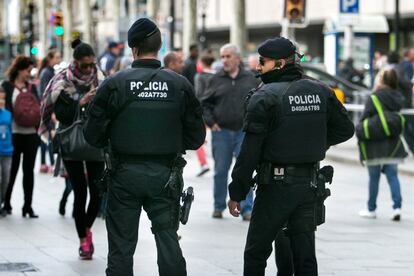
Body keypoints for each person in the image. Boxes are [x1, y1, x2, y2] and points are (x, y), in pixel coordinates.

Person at [83, 18, 205, 276]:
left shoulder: (114, 84)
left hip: (124, 174)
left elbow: (92, 135)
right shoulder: (179, 84)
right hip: (166, 175)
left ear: (133, 49)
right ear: (159, 47)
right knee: (168, 241)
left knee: (121, 247)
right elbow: (196, 138)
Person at [227, 37, 354, 275]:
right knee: (304, 257)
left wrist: (237, 191)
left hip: (275, 187)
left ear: (280, 63)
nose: (258, 67)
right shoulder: (321, 90)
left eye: (263, 62)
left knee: (256, 253)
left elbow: (249, 152)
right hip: (309, 185)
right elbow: (345, 129)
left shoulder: (264, 97)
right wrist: (313, 144)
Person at [39, 39, 105, 259]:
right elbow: (61, 114)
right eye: (84, 65)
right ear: (76, 63)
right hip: (71, 142)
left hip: (95, 141)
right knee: (80, 192)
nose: (88, 69)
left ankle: (87, 228)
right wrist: (81, 102)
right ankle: (83, 241)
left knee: (97, 193)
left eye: (91, 64)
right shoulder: (62, 81)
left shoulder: (100, 77)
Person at [201, 43, 257, 220]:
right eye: (222, 56)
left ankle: (247, 209)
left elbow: (259, 102)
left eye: (228, 56)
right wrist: (211, 122)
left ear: (238, 59)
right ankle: (218, 206)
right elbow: (205, 104)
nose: (224, 60)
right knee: (220, 171)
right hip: (222, 132)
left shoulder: (250, 79)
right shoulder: (215, 79)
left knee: (245, 171)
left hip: (243, 132)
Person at [358, 68, 406, 221]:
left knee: (374, 177)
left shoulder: (375, 97)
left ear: (382, 80)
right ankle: (397, 207)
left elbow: (365, 117)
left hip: (375, 143)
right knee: (393, 176)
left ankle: (371, 209)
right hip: (392, 142)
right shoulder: (398, 97)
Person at [1, 56, 40, 218]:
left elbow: (38, 106)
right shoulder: (7, 87)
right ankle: (6, 202)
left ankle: (27, 206)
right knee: (11, 171)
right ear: (19, 69)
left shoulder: (31, 87)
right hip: (13, 134)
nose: (29, 74)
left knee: (29, 171)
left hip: (31, 133)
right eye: (27, 70)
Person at [37, 48, 61, 173]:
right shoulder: (47, 72)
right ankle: (50, 163)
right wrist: (51, 111)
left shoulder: (47, 71)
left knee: (45, 136)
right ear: (50, 59)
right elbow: (47, 93)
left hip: (45, 108)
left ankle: (44, 163)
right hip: (47, 108)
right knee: (49, 136)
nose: (59, 59)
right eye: (57, 57)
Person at [193, 52, 216, 177]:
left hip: (202, 111)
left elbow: (198, 94)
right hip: (216, 111)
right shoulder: (217, 75)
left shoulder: (199, 76)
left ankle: (204, 163)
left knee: (199, 139)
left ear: (202, 63)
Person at [0, 86, 13, 217]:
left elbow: (11, 132)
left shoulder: (8, 113)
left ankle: (2, 201)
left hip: (7, 151)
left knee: (6, 179)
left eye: (2, 95)